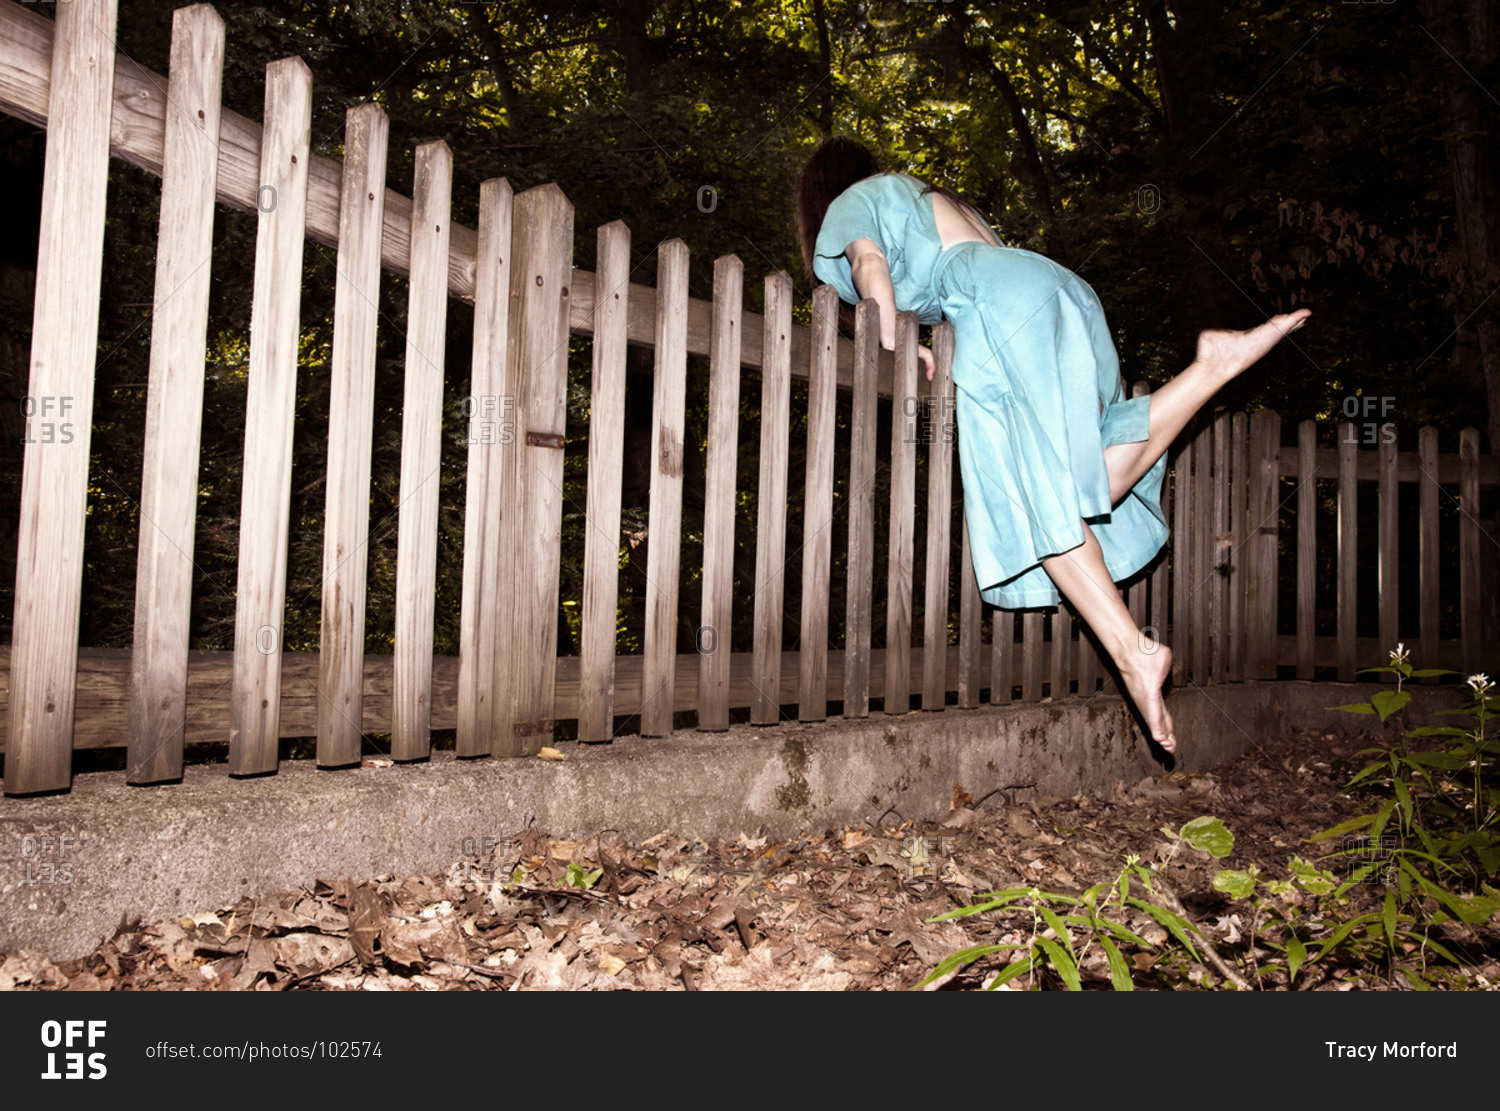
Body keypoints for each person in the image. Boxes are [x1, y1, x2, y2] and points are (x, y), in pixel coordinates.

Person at [795, 137, 1310, 754]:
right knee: (1084, 481)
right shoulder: (925, 194)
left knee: (1030, 491)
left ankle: (1132, 651)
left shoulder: (853, 202)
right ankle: (1210, 370)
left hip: (997, 303)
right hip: (1059, 290)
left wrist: (889, 339)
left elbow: (868, 265)